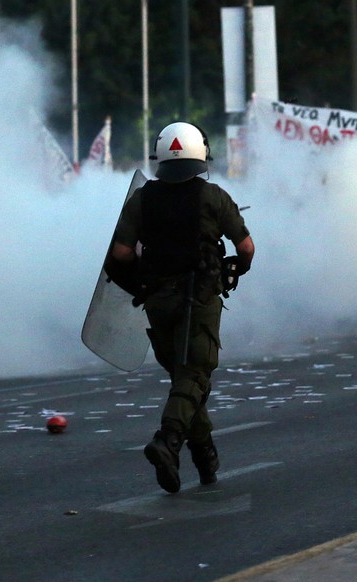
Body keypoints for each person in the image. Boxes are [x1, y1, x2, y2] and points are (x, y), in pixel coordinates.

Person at [105, 122, 255, 493]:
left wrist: (142, 280)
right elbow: (246, 247)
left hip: (157, 300)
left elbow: (121, 253)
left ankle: (204, 457)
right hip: (199, 298)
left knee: (183, 378)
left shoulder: (143, 198)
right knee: (196, 375)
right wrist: (235, 267)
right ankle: (168, 440)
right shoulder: (214, 197)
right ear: (201, 154)